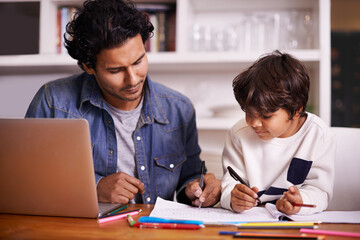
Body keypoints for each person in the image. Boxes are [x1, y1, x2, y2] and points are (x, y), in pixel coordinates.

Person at [25, 0, 221, 207]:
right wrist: (95, 187)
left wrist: (197, 189)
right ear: (88, 67)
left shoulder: (179, 109)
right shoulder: (53, 101)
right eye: (115, 70)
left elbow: (188, 180)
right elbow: (26, 178)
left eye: (138, 61)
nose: (132, 79)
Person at [220, 51, 335, 215]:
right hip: (249, 222)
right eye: (248, 113)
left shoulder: (318, 134)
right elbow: (229, 184)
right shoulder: (239, 134)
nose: (254, 122)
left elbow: (320, 191)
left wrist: (302, 201)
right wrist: (232, 198)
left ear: (297, 110)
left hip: (295, 224)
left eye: (266, 116)